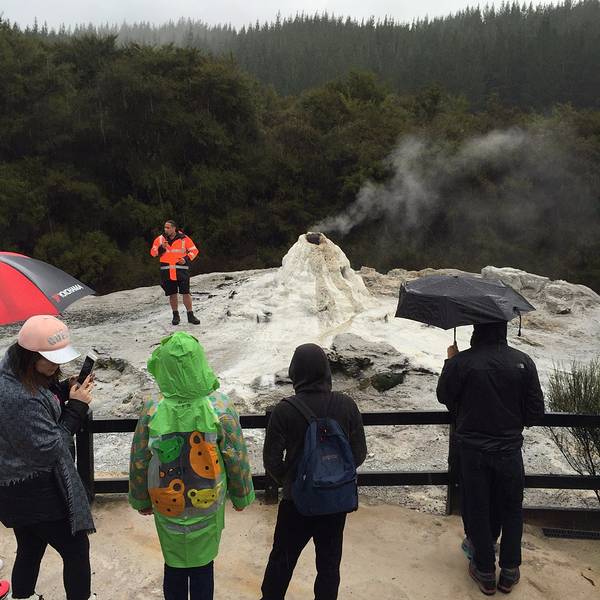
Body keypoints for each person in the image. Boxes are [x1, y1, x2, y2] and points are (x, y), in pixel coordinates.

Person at [128, 332, 255, 600]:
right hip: (208, 500)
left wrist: (141, 499)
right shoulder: (219, 406)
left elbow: (139, 458)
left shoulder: (152, 408)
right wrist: (241, 494)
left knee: (173, 563)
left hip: (166, 500)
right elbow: (235, 455)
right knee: (203, 565)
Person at [437, 322, 544, 596]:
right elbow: (535, 413)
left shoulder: (462, 362)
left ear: (477, 328)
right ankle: (509, 571)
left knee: (478, 507)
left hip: (473, 452)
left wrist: (451, 362)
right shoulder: (524, 362)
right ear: (503, 327)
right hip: (509, 451)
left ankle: (484, 571)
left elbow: (444, 396)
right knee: (512, 509)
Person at [260, 343, 367, 600]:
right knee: (329, 566)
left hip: (297, 502)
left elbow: (271, 460)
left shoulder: (285, 409)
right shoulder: (346, 405)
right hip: (335, 501)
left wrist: (291, 481)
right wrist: (334, 476)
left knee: (282, 561)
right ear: (326, 370)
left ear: (295, 372)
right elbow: (359, 453)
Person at [0, 315, 96, 600]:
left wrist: (64, 389)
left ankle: (22, 597)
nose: (56, 365)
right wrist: (76, 408)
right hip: (34, 487)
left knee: (30, 546)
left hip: (15, 483)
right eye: (51, 360)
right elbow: (52, 446)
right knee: (76, 549)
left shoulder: (17, 373)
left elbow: (41, 399)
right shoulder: (17, 396)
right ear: (30, 356)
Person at [150, 220, 201, 326]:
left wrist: (186, 259)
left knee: (186, 292)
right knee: (172, 293)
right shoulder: (160, 239)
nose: (166, 229)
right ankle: (175, 316)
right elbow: (153, 253)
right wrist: (161, 248)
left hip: (181, 270)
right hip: (167, 271)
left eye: (168, 228)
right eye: (165, 227)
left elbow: (194, 251)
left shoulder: (184, 238)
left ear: (174, 228)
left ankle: (190, 315)